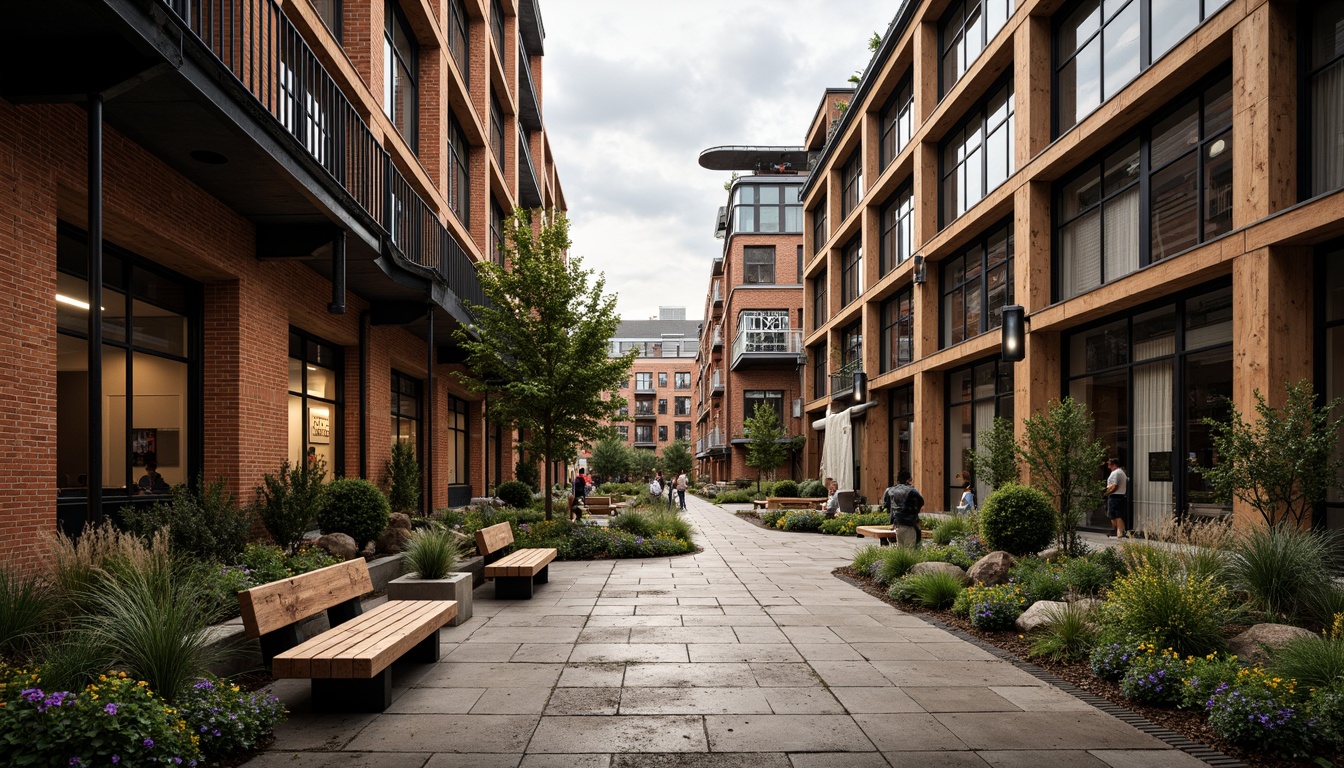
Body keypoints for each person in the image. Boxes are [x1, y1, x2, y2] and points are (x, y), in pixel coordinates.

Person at [881, 469, 924, 548]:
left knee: (901, 549)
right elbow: (921, 501)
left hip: (897, 523)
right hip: (909, 523)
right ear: (908, 480)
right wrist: (915, 511)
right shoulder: (912, 490)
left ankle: (902, 560)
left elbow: (885, 504)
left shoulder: (890, 490)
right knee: (910, 550)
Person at [1105, 457, 1128, 538]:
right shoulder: (1117, 472)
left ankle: (1120, 531)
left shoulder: (1117, 473)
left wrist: (1107, 492)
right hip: (1116, 495)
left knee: (1117, 514)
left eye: (1109, 463)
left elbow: (1115, 486)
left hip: (1116, 495)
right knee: (1113, 515)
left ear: (1113, 464)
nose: (1108, 464)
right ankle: (1117, 531)